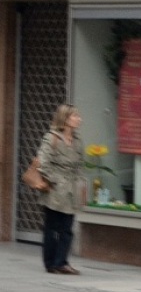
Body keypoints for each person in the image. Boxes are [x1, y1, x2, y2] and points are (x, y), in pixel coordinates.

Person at [36, 104, 85, 275]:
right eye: (75, 116)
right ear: (65, 119)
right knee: (52, 227)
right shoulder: (52, 138)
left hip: (71, 189)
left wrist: (80, 183)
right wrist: (55, 180)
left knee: (67, 228)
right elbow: (43, 163)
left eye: (78, 116)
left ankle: (62, 262)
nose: (79, 119)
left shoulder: (78, 142)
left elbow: (79, 165)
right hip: (55, 189)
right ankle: (50, 263)